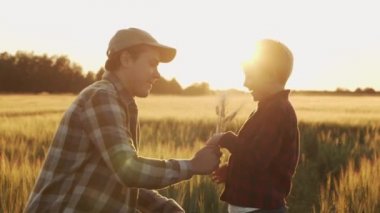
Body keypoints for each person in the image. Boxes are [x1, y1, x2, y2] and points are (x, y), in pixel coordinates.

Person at [25, 28, 221, 212]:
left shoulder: (119, 102)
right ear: (126, 59)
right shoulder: (102, 97)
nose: (157, 75)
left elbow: (117, 178)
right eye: (152, 64)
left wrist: (164, 208)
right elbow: (129, 171)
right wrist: (192, 166)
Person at [211, 39, 300, 213]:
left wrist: (225, 138)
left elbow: (257, 157)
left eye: (250, 75)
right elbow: (263, 161)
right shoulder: (268, 109)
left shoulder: (277, 111)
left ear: (271, 74)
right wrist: (233, 171)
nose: (245, 83)